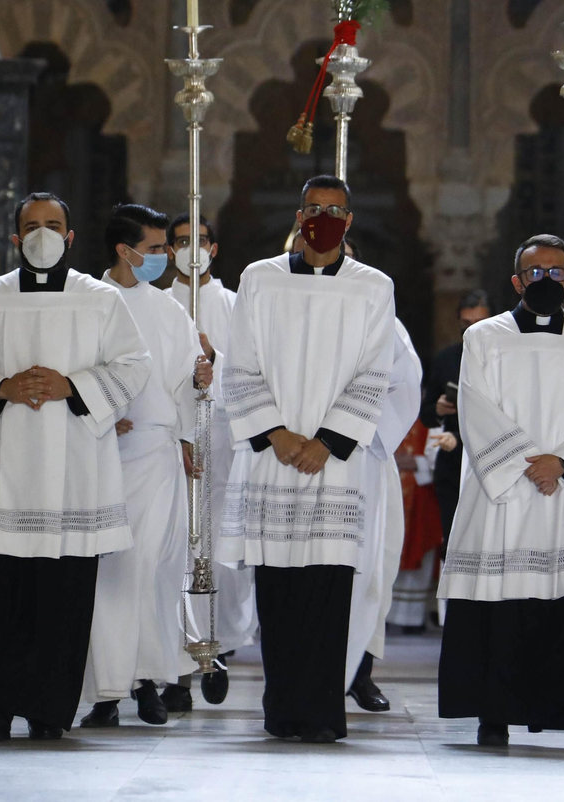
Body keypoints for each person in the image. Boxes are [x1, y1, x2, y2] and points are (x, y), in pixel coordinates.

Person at [0, 192, 151, 742]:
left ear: (71, 237)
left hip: (70, 473)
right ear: (15, 239)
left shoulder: (100, 300)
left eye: (53, 224)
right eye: (31, 226)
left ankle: (48, 709)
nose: (42, 234)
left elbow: (133, 365)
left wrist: (71, 385)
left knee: (61, 604)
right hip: (0, 471)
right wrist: (0, 386)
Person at [218, 175, 395, 744]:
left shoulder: (373, 286)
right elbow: (239, 364)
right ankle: (282, 711)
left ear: (350, 220)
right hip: (275, 456)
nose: (325, 217)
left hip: (334, 463)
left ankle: (321, 713)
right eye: (315, 208)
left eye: (336, 210)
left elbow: (375, 371)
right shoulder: (259, 279)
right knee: (278, 591)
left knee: (327, 589)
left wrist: (328, 441)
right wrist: (277, 433)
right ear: (298, 215)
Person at [438, 234, 564, 749]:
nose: (546, 280)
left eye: (556, 271)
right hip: (505, 493)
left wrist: (562, 462)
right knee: (501, 608)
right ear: (517, 281)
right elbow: (476, 408)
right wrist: (529, 462)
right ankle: (493, 714)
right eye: (535, 272)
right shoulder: (485, 338)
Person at [81, 204, 210, 728]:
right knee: (112, 573)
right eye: (157, 248)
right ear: (124, 249)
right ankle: (106, 691)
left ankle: (150, 683)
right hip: (100, 454)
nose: (166, 257)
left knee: (156, 569)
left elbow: (184, 381)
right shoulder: (86, 301)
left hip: (157, 456)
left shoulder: (169, 309)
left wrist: (199, 387)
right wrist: (98, 412)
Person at [165, 212, 251, 707]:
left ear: (213, 249)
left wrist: (213, 359)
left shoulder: (236, 307)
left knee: (215, 552)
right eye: (179, 241)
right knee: (172, 548)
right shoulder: (153, 307)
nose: (188, 248)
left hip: (222, 446)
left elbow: (249, 370)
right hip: (169, 449)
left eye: (197, 240)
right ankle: (173, 659)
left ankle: (215, 644)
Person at [341, 237, 421, 716]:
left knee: (373, 568)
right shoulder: (290, 313)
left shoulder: (384, 322)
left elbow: (405, 383)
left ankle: (361, 672)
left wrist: (363, 436)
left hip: (366, 456)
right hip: (303, 461)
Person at [423, 290, 493, 553]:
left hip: (491, 460)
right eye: (466, 324)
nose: (471, 330)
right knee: (454, 544)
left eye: (479, 324)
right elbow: (426, 414)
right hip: (452, 465)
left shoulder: (502, 359)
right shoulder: (446, 359)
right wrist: (439, 408)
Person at [387, 419, 443, 634]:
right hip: (392, 489)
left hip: (423, 493)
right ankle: (387, 614)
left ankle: (413, 617)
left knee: (421, 545)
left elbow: (444, 453)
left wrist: (418, 462)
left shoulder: (433, 415)